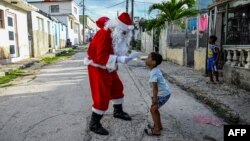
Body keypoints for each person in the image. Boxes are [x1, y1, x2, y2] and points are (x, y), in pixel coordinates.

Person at [84, 13, 140, 135]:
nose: (125, 35)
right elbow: (100, 57)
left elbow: (114, 50)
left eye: (126, 32)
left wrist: (124, 56)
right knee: (101, 94)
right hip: (97, 67)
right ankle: (94, 124)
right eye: (124, 32)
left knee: (117, 88)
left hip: (109, 66)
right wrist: (119, 59)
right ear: (118, 27)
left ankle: (118, 111)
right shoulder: (104, 34)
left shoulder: (114, 34)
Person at [144, 52, 171, 136]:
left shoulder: (154, 72)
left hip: (163, 94)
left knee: (153, 109)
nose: (146, 59)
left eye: (148, 58)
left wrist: (154, 98)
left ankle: (157, 130)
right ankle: (159, 126)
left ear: (153, 62)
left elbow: (155, 87)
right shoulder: (155, 70)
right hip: (165, 93)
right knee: (154, 109)